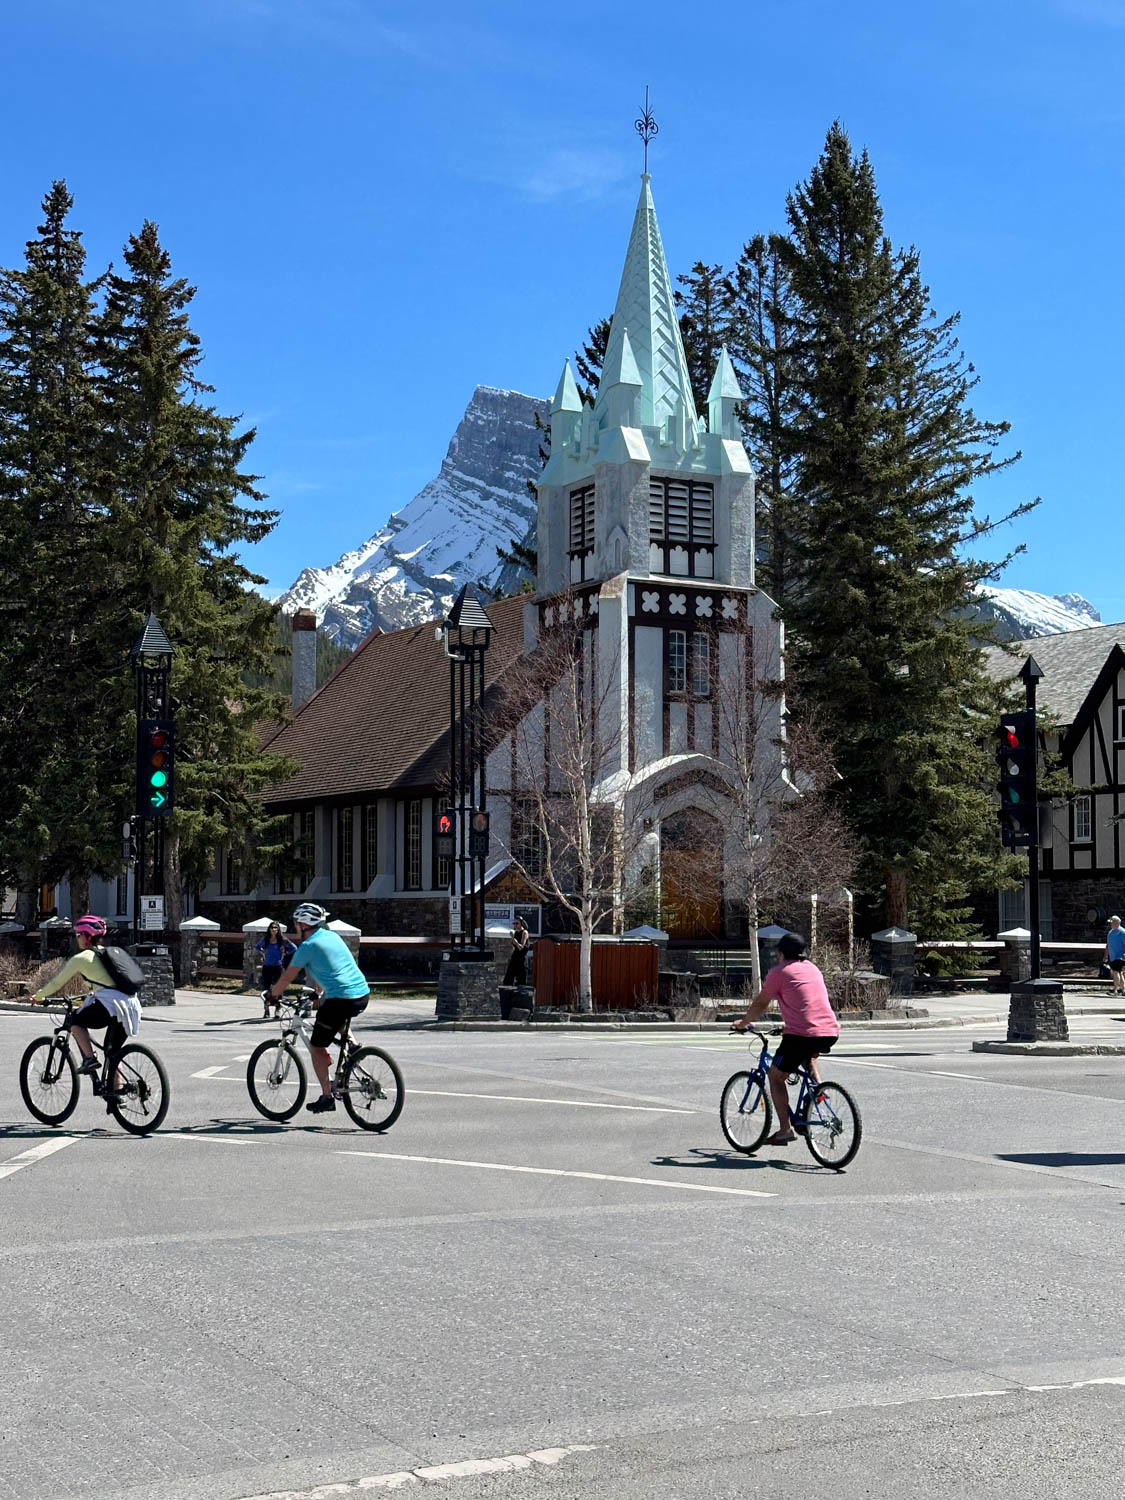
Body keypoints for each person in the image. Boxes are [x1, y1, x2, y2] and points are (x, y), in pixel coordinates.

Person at [731, 931, 840, 1146]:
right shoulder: (813, 969)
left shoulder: (779, 972)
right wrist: (788, 1026)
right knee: (807, 1054)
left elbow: (762, 1003)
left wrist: (742, 1023)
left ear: (781, 954)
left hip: (801, 1034)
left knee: (776, 1076)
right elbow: (807, 1003)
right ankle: (817, 1091)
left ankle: (784, 1130)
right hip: (829, 1031)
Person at [263, 903, 370, 1114]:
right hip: (362, 994)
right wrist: (318, 992)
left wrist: (272, 994)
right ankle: (353, 1045)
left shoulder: (308, 946)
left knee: (316, 1046)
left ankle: (326, 1097)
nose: (294, 927)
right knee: (329, 1013)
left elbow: (287, 977)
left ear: (303, 924)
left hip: (342, 998)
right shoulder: (332, 937)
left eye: (296, 923)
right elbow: (330, 967)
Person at [30, 914, 142, 1085]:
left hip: (112, 1006)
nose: (77, 938)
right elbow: (105, 984)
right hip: (131, 1005)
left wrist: (39, 996)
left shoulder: (82, 958)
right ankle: (117, 1094)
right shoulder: (108, 954)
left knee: (75, 1021)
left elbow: (57, 982)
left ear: (86, 936)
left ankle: (89, 1059)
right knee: (112, 1054)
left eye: (78, 934)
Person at [256, 921, 296, 1017]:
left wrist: (285, 953)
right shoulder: (265, 939)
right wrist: (262, 953)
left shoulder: (282, 940)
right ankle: (266, 1010)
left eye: (276, 928)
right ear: (269, 929)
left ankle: (278, 1008)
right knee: (266, 988)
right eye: (272, 927)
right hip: (267, 966)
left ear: (278, 930)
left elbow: (294, 948)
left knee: (279, 988)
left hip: (278, 966)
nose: (274, 930)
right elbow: (258, 947)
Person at [504, 916, 530, 986]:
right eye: (514, 924)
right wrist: (512, 942)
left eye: (517, 923)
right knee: (508, 977)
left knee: (521, 980)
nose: (515, 925)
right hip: (515, 957)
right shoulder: (515, 933)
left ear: (521, 923)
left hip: (522, 958)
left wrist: (516, 943)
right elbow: (514, 947)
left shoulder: (524, 932)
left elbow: (521, 947)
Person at [1105, 915, 1125, 996]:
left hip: (1120, 956)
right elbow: (1108, 945)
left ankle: (1115, 990)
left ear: (1117, 923)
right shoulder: (1110, 932)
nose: (1111, 924)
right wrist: (1106, 955)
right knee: (1119, 973)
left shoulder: (1122, 932)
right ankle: (1123, 990)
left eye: (1112, 922)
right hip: (1113, 956)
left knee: (1116, 972)